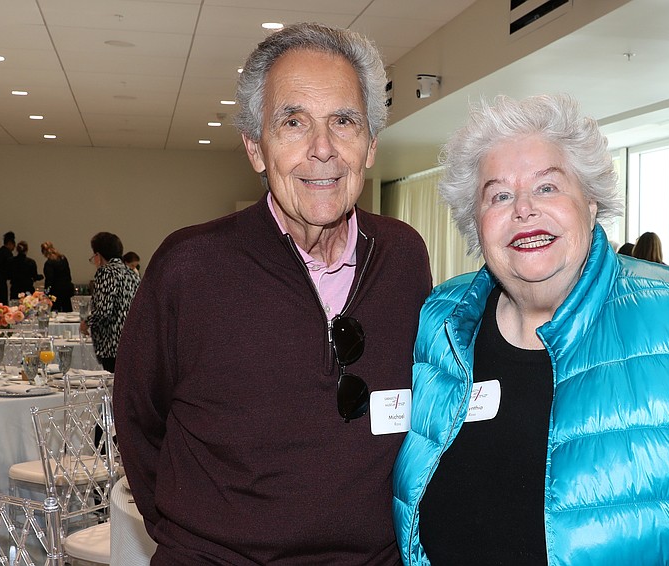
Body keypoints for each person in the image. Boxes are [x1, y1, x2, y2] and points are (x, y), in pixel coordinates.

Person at [392, 94, 669, 565]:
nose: (523, 209)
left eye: (547, 187)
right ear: (475, 224)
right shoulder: (442, 324)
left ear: (590, 201)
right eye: (498, 195)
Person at [114, 22, 432, 565]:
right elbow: (139, 422)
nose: (323, 149)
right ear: (256, 148)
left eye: (344, 121)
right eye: (293, 122)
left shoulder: (403, 257)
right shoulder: (190, 268)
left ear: (370, 144)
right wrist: (194, 542)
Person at [81, 232, 140, 373]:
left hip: (112, 343)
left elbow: (103, 310)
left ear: (98, 256)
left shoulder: (106, 272)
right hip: (133, 341)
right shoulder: (132, 274)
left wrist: (86, 323)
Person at [40, 241, 75, 312]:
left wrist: (46, 293)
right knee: (67, 310)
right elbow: (68, 274)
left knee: (54, 312)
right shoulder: (63, 258)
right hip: (67, 290)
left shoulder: (49, 263)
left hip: (55, 293)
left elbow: (49, 281)